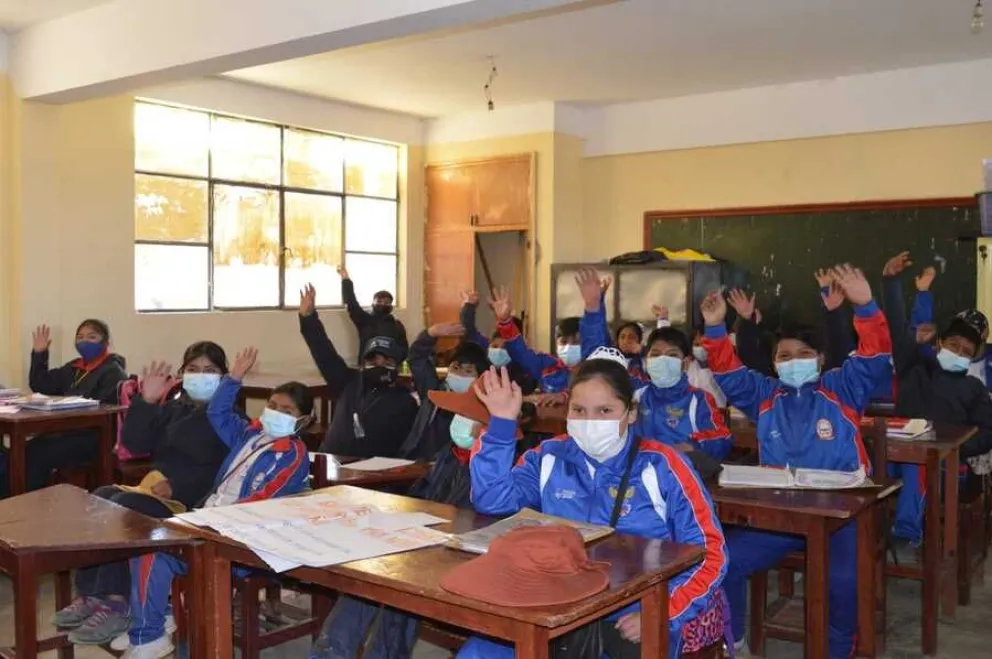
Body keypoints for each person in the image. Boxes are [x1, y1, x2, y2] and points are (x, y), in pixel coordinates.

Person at [459, 355, 729, 658]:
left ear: (630, 413)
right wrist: (500, 427)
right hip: (555, 601)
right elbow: (492, 500)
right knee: (478, 653)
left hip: (634, 612)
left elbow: (711, 552)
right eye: (579, 410)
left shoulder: (663, 465)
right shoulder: (549, 456)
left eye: (604, 411)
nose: (590, 422)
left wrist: (663, 611)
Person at [700, 264, 893, 658]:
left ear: (820, 359)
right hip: (783, 516)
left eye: (803, 354)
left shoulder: (843, 387)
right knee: (722, 561)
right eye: (784, 356)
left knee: (841, 582)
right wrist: (716, 327)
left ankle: (838, 649)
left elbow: (874, 357)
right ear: (773, 364)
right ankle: (733, 643)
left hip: (844, 518)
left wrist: (866, 306)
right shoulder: (765, 395)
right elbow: (728, 373)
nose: (794, 361)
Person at [310, 377, 543, 659]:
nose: (454, 421)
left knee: (396, 585)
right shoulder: (450, 455)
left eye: (464, 416)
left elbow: (481, 521)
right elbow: (423, 498)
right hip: (424, 540)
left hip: (463, 555)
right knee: (366, 576)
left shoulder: (499, 467)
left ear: (486, 426)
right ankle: (328, 653)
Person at [121, 347, 311, 659]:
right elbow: (217, 412)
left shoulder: (292, 454)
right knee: (147, 548)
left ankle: (185, 640)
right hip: (209, 524)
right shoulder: (248, 435)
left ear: (303, 420)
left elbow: (262, 500)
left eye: (287, 411)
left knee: (172, 554)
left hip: (241, 538)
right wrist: (234, 377)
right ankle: (148, 636)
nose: (276, 413)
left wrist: (216, 522)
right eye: (273, 406)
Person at [52, 341, 235, 646]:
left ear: (224, 377)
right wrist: (146, 402)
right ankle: (92, 594)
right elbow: (136, 444)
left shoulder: (227, 417)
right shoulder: (176, 407)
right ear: (181, 374)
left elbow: (223, 469)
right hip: (155, 489)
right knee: (99, 497)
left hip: (194, 502)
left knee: (125, 507)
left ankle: (116, 600)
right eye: (193, 369)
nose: (200, 376)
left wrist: (179, 485)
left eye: (209, 370)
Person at [879, 253, 992, 550]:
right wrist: (891, 282)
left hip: (945, 466)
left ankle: (906, 533)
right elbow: (903, 327)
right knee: (862, 463)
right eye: (953, 344)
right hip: (892, 458)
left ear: (973, 357)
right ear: (940, 342)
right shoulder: (914, 366)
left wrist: (954, 447)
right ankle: (855, 534)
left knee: (920, 463)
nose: (959, 351)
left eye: (966, 350)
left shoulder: (974, 388)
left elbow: (989, 430)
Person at [2, 320, 128, 495]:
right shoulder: (75, 367)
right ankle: (8, 500)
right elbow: (41, 384)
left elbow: (104, 409)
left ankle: (24, 504)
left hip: (93, 436)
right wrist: (40, 353)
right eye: (80, 337)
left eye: (92, 337)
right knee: (20, 450)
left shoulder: (113, 371)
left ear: (105, 342)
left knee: (37, 453)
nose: (85, 342)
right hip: (66, 430)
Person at [298, 284, 419, 457]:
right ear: (363, 363)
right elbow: (324, 352)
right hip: (329, 469)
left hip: (373, 478)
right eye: (373, 359)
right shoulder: (348, 383)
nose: (379, 364)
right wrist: (308, 318)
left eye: (387, 360)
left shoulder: (405, 402)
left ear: (397, 366)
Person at [395, 321, 491, 460]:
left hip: (453, 466)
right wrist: (429, 335)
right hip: (417, 460)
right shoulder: (434, 390)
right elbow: (416, 359)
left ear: (480, 376)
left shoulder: (483, 405)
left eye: (468, 371)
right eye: (455, 368)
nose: (459, 375)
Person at [636, 327, 733, 461]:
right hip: (637, 472)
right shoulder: (636, 395)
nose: (663, 360)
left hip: (681, 473)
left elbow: (723, 439)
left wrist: (692, 445)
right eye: (656, 355)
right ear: (647, 361)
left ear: (685, 363)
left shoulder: (699, 399)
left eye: (672, 355)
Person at [491, 285, 581, 393]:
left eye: (576, 342)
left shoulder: (598, 372)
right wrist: (505, 322)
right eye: (563, 342)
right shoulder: (547, 365)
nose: (569, 347)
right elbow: (521, 354)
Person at [459, 290, 537, 395]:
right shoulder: (482, 357)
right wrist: (469, 307)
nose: (498, 351)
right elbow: (468, 330)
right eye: (495, 346)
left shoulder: (524, 370)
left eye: (505, 348)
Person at [654, 305, 727, 409]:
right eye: (696, 345)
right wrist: (663, 320)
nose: (701, 349)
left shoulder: (725, 368)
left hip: (715, 416)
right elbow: (666, 346)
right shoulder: (687, 366)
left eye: (704, 345)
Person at [337, 265, 408, 364]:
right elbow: (351, 303)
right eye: (379, 301)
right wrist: (345, 279)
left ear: (391, 306)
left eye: (386, 302)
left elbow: (404, 349)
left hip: (389, 371)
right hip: (367, 370)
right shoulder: (364, 319)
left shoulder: (397, 325)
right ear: (373, 303)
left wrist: (389, 361)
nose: (383, 304)